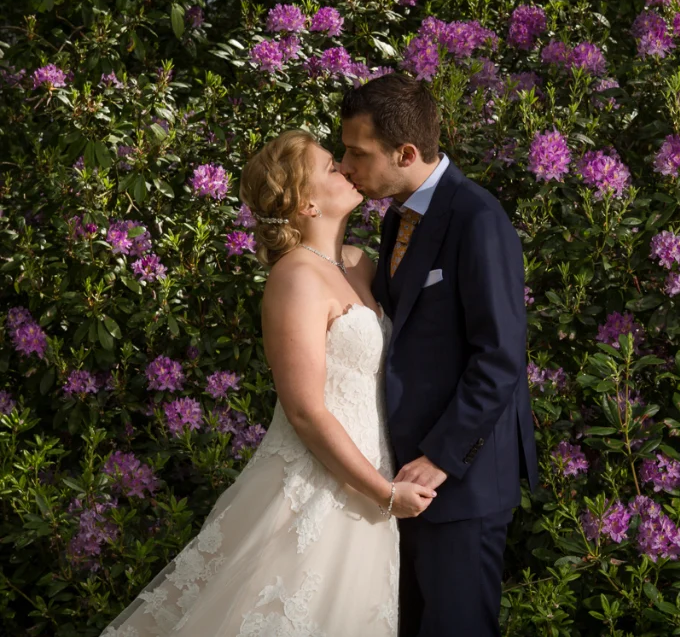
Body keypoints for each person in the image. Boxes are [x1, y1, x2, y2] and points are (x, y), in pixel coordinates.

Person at [101, 129, 435, 636]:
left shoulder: (361, 264)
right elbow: (305, 410)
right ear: (305, 203)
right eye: (330, 166)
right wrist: (383, 493)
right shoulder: (295, 276)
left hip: (372, 478)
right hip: (321, 484)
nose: (346, 168)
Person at [340, 72, 539, 637]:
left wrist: (442, 457)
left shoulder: (477, 218)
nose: (346, 164)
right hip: (407, 478)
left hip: (459, 478)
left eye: (358, 152)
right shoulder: (397, 215)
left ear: (405, 152)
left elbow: (499, 357)